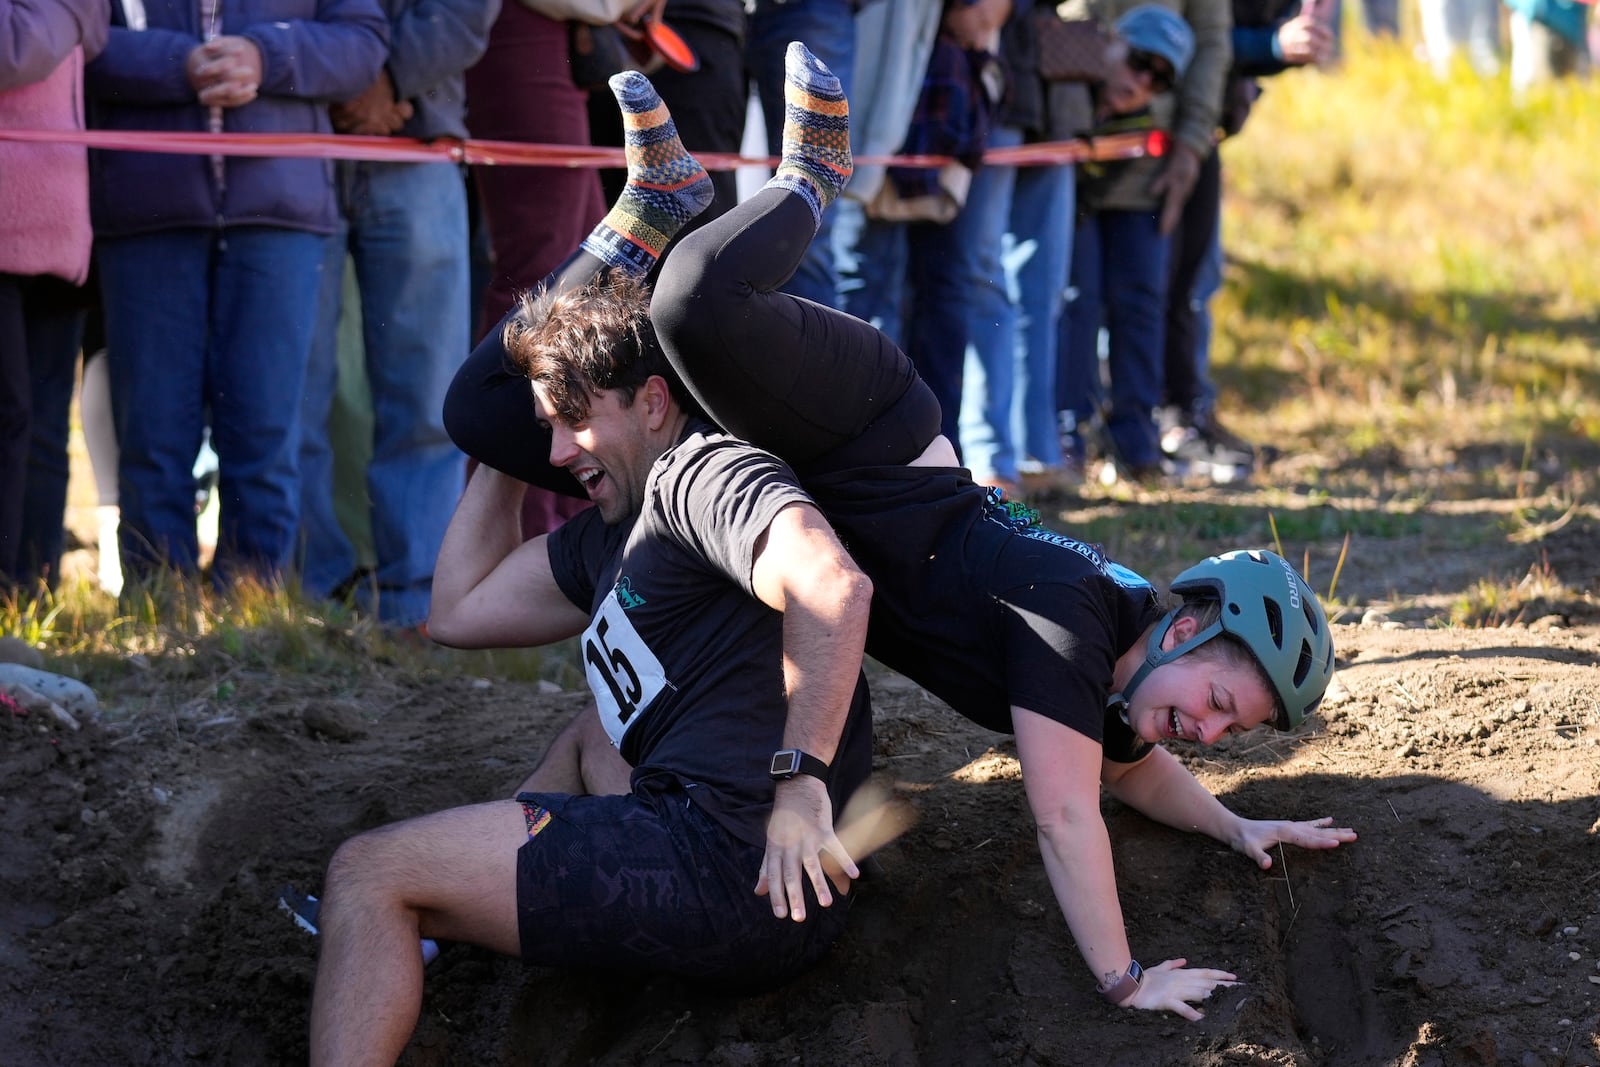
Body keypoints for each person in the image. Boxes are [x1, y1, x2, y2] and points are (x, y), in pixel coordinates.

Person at [448, 45, 1354, 1019]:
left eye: (1232, 729)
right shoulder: (1072, 627)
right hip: (861, 420)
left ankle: (642, 216)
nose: (1211, 732)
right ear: (1182, 628)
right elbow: (1062, 812)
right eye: (1218, 699)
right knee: (694, 301)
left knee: (488, 412)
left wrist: (1233, 823)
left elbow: (1128, 765)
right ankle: (811, 177)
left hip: (780, 463)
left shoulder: (1114, 670)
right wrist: (1124, 979)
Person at [309, 64, 878, 1064]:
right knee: (590, 736)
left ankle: (411, 912)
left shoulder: (706, 473)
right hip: (705, 842)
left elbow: (836, 587)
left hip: (737, 867)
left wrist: (800, 783)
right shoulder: (610, 516)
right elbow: (460, 609)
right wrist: (518, 442)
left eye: (578, 422)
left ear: (653, 402)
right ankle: (448, 922)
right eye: (552, 430)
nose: (562, 451)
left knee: (366, 871)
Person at [84, 0, 388, 590]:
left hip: (280, 213)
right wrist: (181, 64)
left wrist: (264, 57)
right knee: (152, 427)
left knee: (267, 428)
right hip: (148, 209)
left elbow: (363, 43)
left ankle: (251, 612)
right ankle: (157, 606)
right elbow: (82, 41)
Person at [296, 0, 500, 629]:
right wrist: (346, 81)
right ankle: (307, 597)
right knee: (290, 395)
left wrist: (385, 81)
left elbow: (465, 12)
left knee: (425, 397)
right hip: (293, 141)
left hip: (417, 140)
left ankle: (418, 601)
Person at [1057, 1, 1220, 481]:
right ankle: (1070, 435)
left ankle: (1136, 443)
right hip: (1071, 174)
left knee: (1142, 301)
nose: (1141, 81)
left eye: (1158, 79)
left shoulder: (1151, 98)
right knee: (1076, 302)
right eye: (1137, 63)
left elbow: (1212, 48)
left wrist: (1190, 147)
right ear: (1110, 42)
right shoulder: (1078, 73)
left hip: (1148, 170)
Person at [0, 0, 109, 590]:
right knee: (8, 417)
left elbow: (101, 43)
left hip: (58, 223)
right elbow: (14, 48)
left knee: (44, 426)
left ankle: (31, 594)